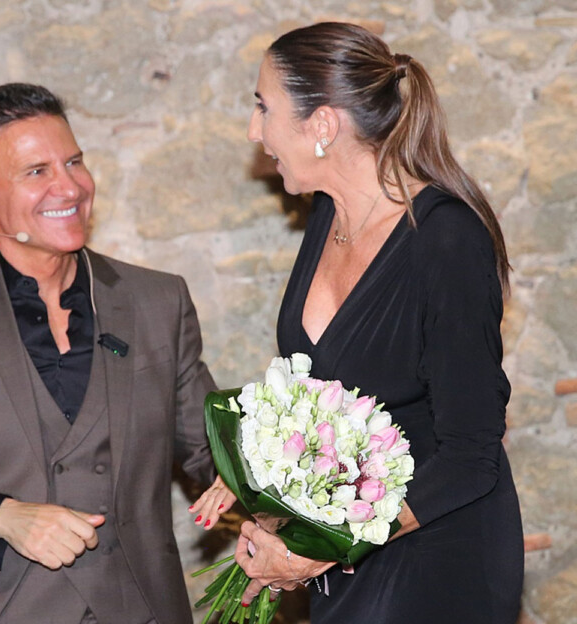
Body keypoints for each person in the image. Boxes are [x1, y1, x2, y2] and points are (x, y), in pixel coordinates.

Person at [0, 82, 218, 624]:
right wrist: (4, 517)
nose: (70, 187)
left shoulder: (157, 299)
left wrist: (283, 493)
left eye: (73, 162)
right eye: (37, 172)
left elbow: (210, 448)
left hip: (138, 607)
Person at [224, 22, 523, 622]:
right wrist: (273, 511)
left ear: (323, 126)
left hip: (437, 556)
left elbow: (471, 455)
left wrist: (323, 546)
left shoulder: (445, 240)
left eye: (265, 108)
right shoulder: (326, 216)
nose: (256, 132)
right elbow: (322, 399)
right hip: (350, 556)